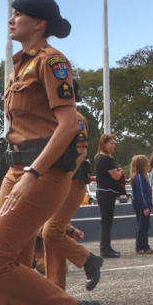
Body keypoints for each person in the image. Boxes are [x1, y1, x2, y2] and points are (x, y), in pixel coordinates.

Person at [0, 0, 97, 305]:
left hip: (42, 173)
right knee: (13, 261)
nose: (10, 20)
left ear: (39, 23)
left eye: (18, 14)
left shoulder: (51, 60)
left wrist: (33, 172)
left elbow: (68, 124)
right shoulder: (20, 64)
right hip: (16, 171)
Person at [42, 84, 104, 290]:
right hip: (53, 183)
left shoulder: (76, 119)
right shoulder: (49, 118)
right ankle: (56, 292)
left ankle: (89, 260)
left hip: (71, 182)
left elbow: (81, 153)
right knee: (51, 239)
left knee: (51, 232)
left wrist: (64, 177)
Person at [95, 133, 125, 258]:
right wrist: (120, 172)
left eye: (114, 144)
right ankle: (105, 249)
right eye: (111, 143)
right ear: (104, 144)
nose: (114, 146)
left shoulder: (101, 158)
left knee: (106, 221)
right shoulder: (105, 159)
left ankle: (106, 247)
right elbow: (116, 176)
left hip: (105, 193)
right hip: (106, 193)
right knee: (106, 222)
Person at [130, 155, 153, 255]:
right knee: (142, 226)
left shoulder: (140, 176)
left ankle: (145, 245)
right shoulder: (139, 177)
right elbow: (141, 193)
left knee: (145, 225)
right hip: (141, 206)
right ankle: (140, 247)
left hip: (143, 205)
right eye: (146, 163)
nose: (148, 165)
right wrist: (145, 206)